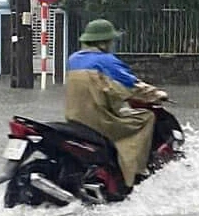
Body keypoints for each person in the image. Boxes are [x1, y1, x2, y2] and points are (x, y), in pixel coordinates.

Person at [65, 19, 168, 191]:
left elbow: (107, 88)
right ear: (103, 42)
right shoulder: (107, 61)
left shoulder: (73, 59)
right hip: (100, 121)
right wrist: (157, 94)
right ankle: (133, 171)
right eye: (111, 40)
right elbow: (132, 85)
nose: (113, 44)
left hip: (75, 119)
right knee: (146, 117)